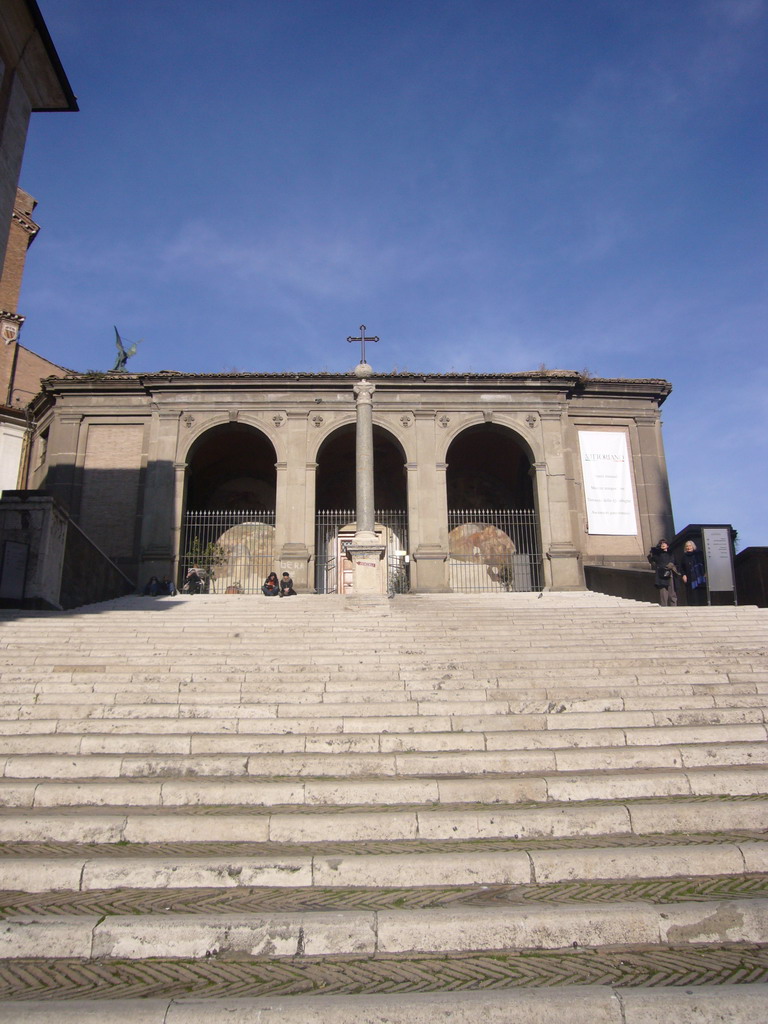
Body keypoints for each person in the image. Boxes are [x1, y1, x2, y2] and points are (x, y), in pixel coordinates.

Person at [647, 539, 678, 607]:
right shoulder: (657, 554)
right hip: (661, 574)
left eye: (664, 543)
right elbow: (652, 560)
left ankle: (674, 605)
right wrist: (652, 553)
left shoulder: (671, 553)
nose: (663, 544)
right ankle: (664, 605)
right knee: (663, 591)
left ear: (667, 545)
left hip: (670, 573)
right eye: (661, 543)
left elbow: (673, 560)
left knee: (672, 591)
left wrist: (670, 565)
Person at [680, 539, 707, 606]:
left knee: (701, 592)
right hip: (690, 577)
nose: (688, 547)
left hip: (700, 576)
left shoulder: (699, 554)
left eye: (690, 546)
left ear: (693, 546)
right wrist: (683, 575)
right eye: (687, 546)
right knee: (691, 593)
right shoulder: (684, 557)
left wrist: (706, 572)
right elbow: (681, 568)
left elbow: (705, 563)